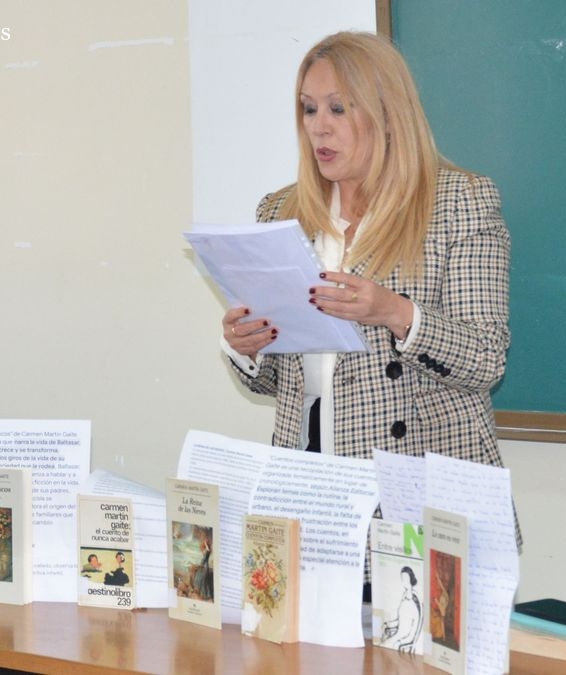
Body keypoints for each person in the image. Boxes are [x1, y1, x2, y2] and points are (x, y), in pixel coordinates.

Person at [220, 31, 514, 544]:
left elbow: (486, 359)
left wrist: (396, 313)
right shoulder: (280, 212)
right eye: (309, 109)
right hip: (310, 476)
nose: (319, 127)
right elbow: (278, 383)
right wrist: (248, 346)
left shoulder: (457, 202)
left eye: (338, 108)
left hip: (421, 482)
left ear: (387, 115)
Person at [380, 565, 423, 653]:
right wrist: (387, 624)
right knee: (381, 645)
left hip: (404, 640)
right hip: (397, 636)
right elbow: (400, 621)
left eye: (406, 579)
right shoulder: (404, 598)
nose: (404, 581)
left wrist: (400, 642)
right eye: (402, 579)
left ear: (411, 579)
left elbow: (413, 633)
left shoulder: (414, 603)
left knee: (384, 647)